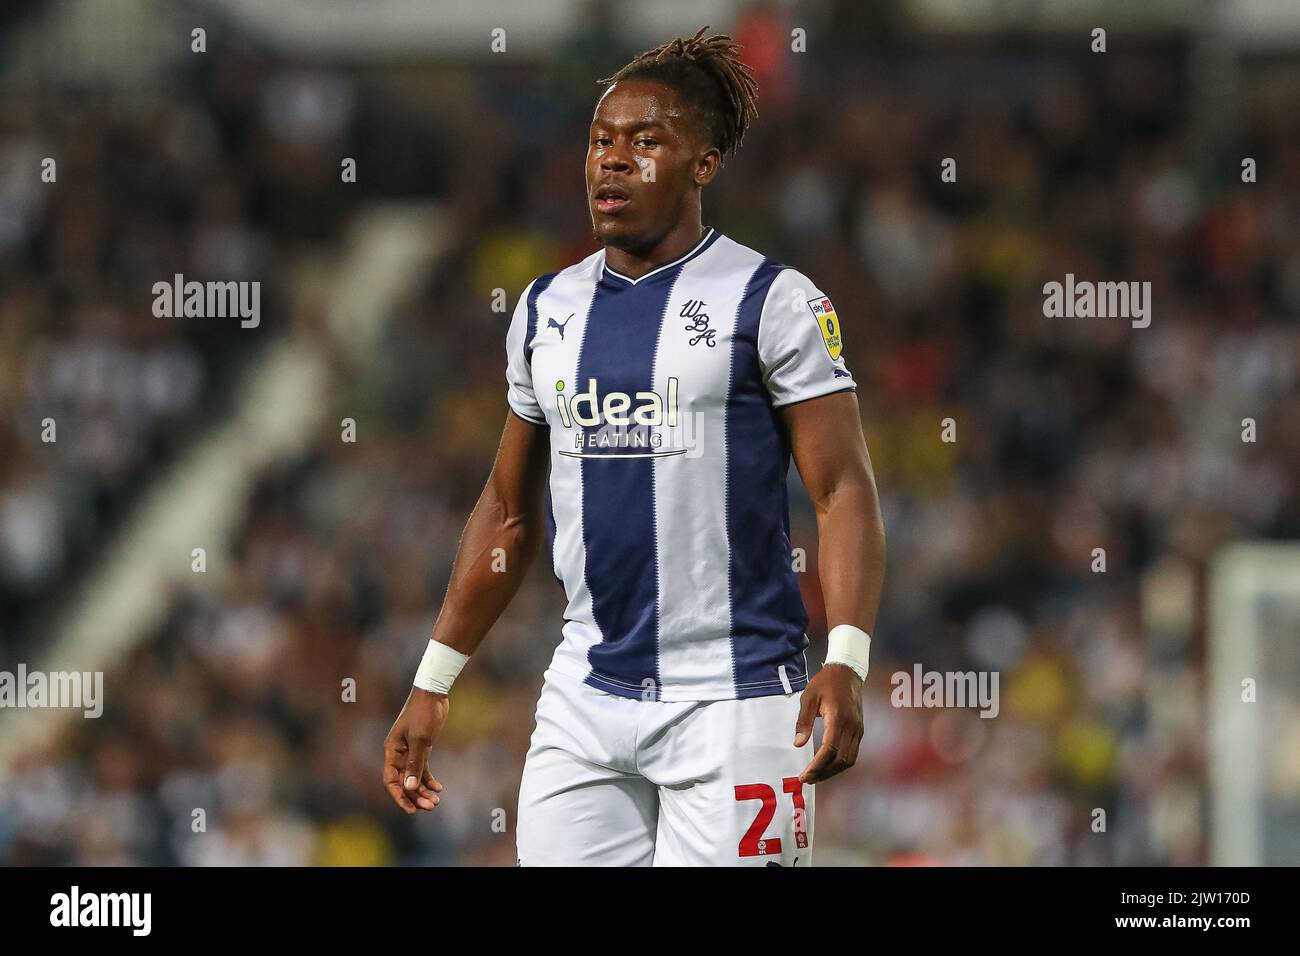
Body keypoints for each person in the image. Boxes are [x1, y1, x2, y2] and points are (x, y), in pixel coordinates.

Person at [383, 25, 887, 866]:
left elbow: (844, 493)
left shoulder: (774, 301)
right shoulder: (547, 311)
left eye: (645, 141)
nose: (612, 161)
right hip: (585, 695)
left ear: (704, 163)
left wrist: (846, 658)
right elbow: (508, 514)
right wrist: (434, 680)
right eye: (599, 142)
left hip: (735, 698)